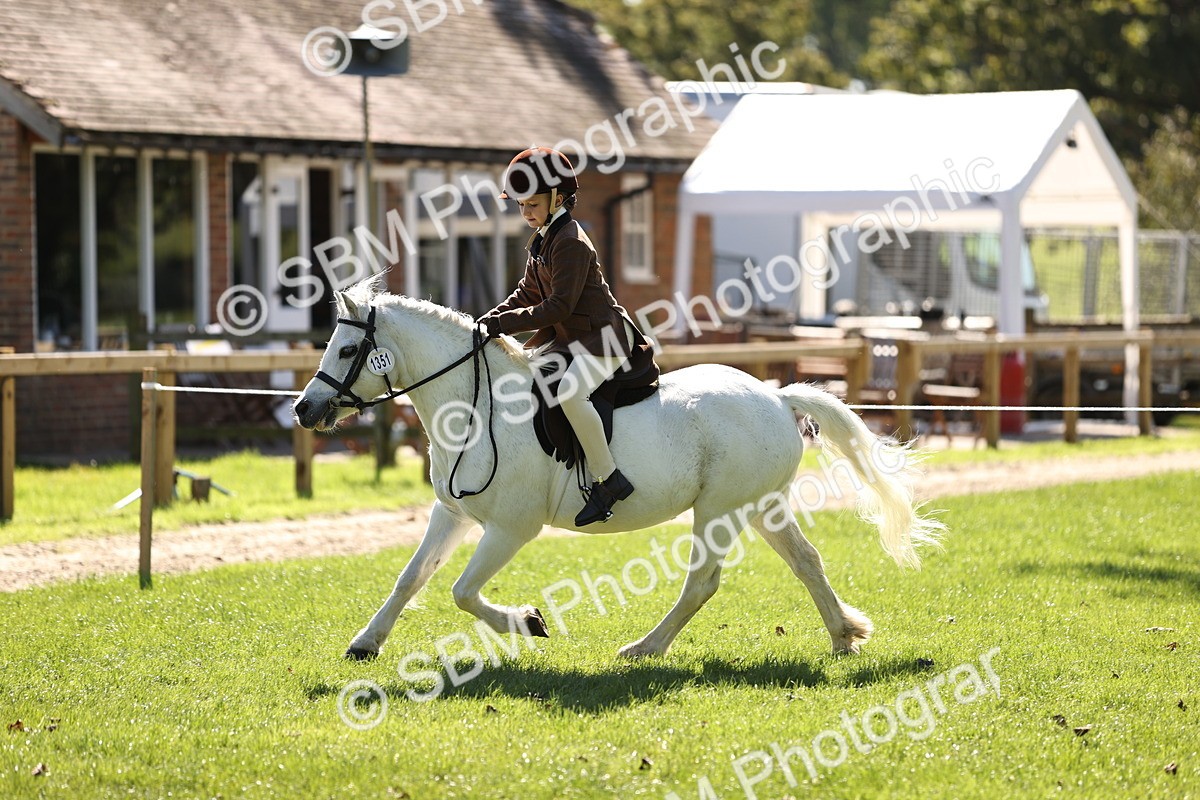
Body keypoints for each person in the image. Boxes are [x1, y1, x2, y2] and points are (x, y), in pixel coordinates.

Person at [479, 146, 649, 526]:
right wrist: (488, 318)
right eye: (521, 205)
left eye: (532, 204)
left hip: (604, 339)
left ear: (557, 198)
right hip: (572, 339)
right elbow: (526, 292)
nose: (526, 213)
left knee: (570, 392)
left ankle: (608, 479)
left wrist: (504, 325)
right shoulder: (544, 237)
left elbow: (558, 307)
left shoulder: (570, 240)